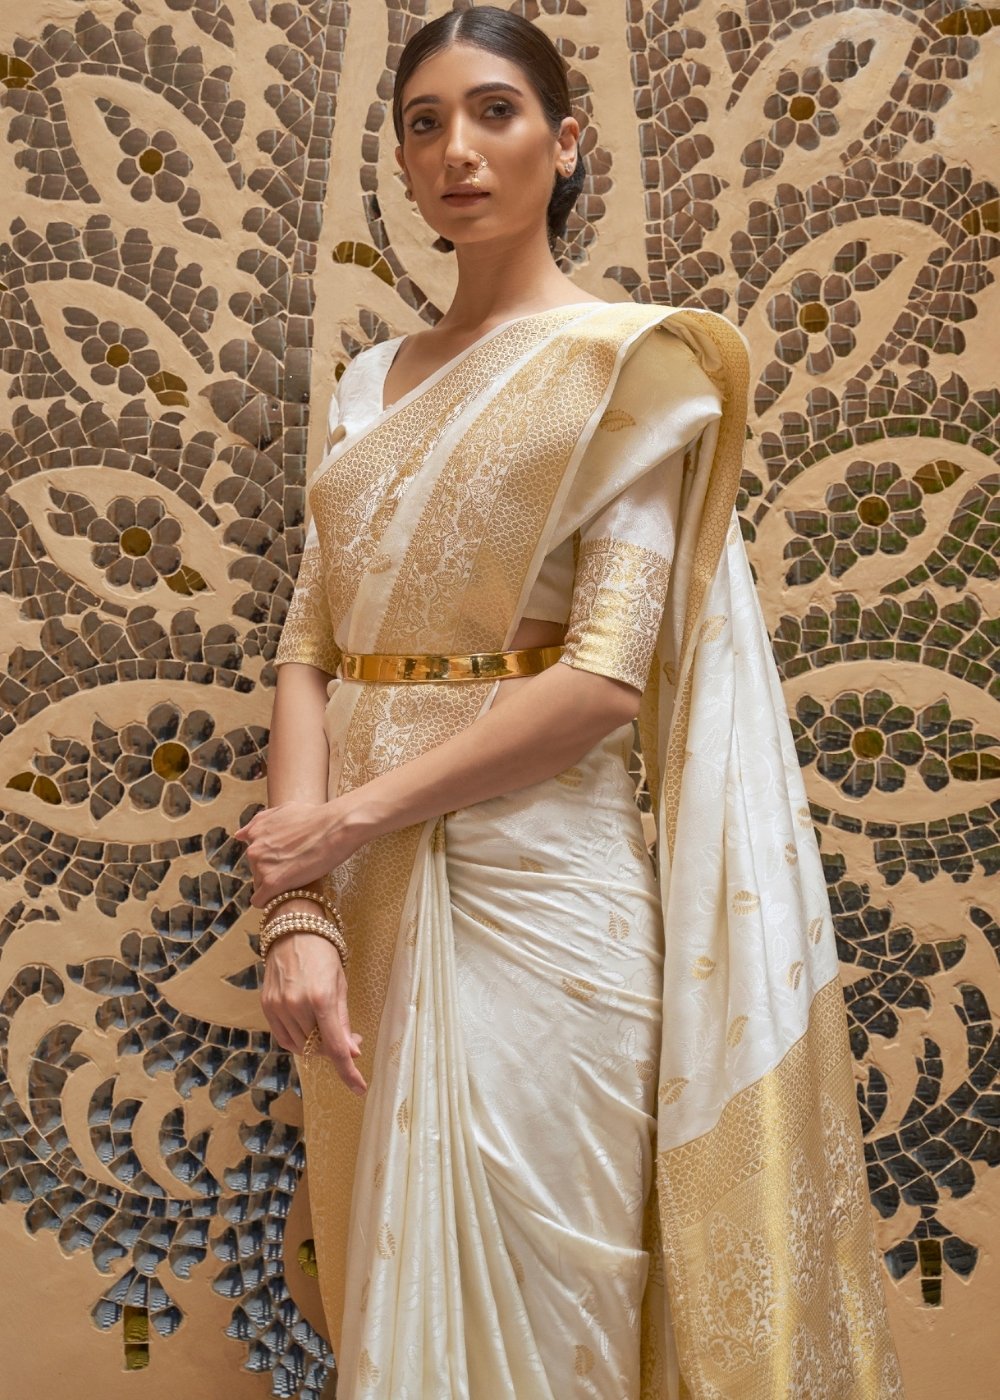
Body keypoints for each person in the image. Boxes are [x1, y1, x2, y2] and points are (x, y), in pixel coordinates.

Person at [235, 7, 904, 1398]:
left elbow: (600, 685)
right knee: (393, 1293)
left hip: (548, 896)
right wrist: (299, 908)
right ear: (400, 160)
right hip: (365, 902)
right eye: (425, 123)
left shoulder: (626, 371)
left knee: (559, 1311)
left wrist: (338, 824)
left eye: (495, 112)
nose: (458, 151)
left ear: (566, 139)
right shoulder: (368, 385)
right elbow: (312, 643)